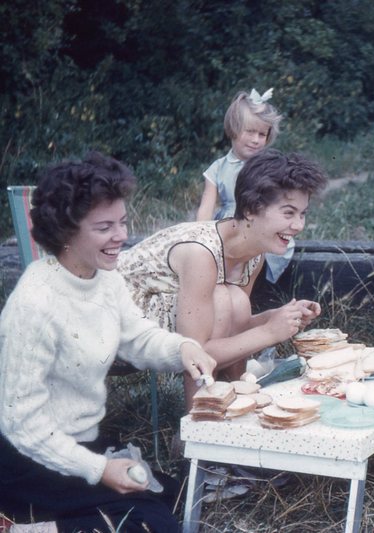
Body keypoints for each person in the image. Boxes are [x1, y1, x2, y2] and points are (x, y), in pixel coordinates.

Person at [0, 152, 217, 532]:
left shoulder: (105, 279)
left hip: (83, 443)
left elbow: (136, 337)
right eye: (104, 227)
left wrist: (183, 348)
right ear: (67, 232)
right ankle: (26, 526)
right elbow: (20, 423)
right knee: (153, 525)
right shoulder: (35, 303)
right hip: (27, 459)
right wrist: (99, 470)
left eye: (123, 222)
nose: (121, 236)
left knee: (181, 495)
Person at [118, 148, 327, 407]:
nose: (298, 225)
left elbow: (232, 326)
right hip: (115, 322)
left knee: (235, 300)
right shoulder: (201, 253)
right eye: (288, 213)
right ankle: (195, 424)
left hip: (170, 324)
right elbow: (198, 352)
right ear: (251, 209)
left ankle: (233, 405)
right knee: (222, 297)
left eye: (302, 213)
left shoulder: (253, 254)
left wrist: (276, 317)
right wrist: (270, 332)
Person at [196, 88, 292, 284]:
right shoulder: (218, 168)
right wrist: (200, 234)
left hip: (260, 223)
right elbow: (207, 206)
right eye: (250, 132)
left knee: (252, 254)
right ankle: (225, 291)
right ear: (234, 129)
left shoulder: (269, 166)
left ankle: (243, 295)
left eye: (262, 134)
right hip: (229, 225)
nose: (256, 140)